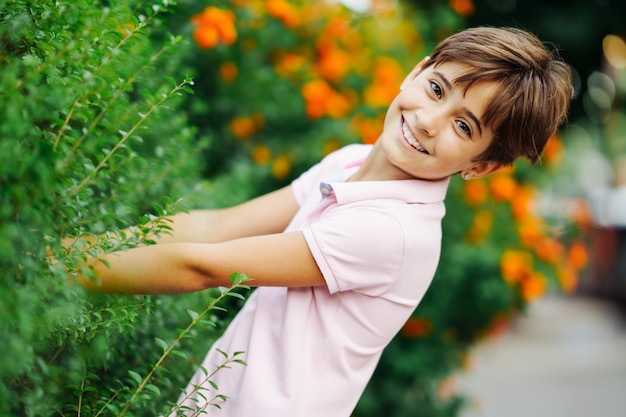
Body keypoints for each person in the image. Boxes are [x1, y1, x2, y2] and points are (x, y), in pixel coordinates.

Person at [72, 26, 574, 416]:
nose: (428, 120)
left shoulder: (393, 232)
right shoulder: (350, 163)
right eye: (437, 89)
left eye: (464, 127)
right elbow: (214, 227)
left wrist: (55, 274)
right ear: (417, 71)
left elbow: (204, 267)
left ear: (480, 165)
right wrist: (75, 247)